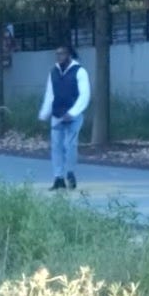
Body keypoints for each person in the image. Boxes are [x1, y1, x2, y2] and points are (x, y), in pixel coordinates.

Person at [38, 45, 91, 190]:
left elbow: (85, 95)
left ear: (69, 55)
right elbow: (50, 95)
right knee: (56, 147)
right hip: (57, 115)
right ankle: (58, 178)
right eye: (57, 54)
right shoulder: (53, 72)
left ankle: (70, 172)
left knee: (70, 145)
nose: (59, 57)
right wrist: (44, 114)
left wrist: (73, 113)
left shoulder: (80, 71)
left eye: (61, 54)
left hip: (73, 116)